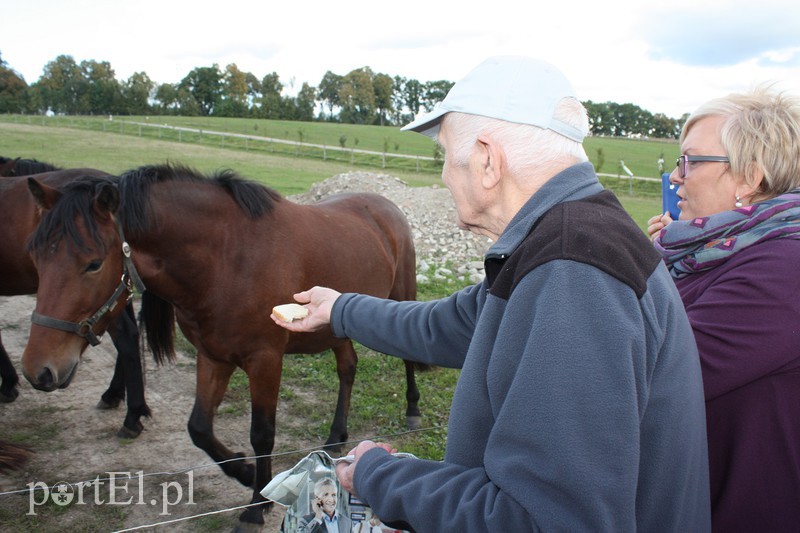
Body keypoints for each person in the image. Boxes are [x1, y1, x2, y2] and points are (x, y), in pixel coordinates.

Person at [274, 55, 711, 532]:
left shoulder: (573, 272)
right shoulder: (565, 236)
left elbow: (544, 520)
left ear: (486, 159)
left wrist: (382, 475)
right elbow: (452, 324)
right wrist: (340, 308)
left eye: (444, 154)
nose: (443, 175)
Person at [647, 86, 800, 532]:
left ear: (748, 178)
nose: (676, 176)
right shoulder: (715, 251)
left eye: (690, 161)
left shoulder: (784, 267)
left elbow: (659, 371)